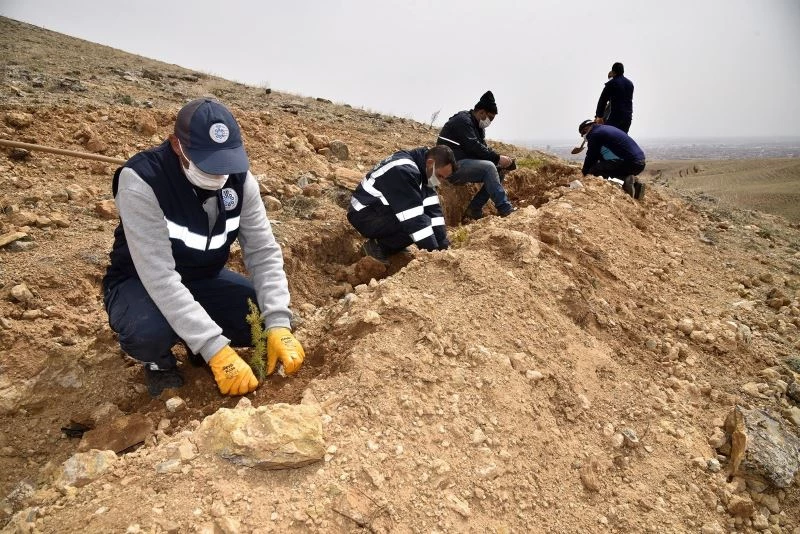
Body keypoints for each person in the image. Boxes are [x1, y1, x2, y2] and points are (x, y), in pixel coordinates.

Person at [102, 98, 305, 397]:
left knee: (261, 319)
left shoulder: (240, 181)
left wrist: (277, 321)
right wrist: (215, 349)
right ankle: (160, 363)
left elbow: (263, 251)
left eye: (224, 163)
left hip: (202, 280)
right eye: (207, 164)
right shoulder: (142, 182)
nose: (218, 175)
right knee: (148, 331)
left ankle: (195, 341)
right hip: (140, 283)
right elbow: (159, 277)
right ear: (176, 145)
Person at [347, 145, 457, 263]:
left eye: (443, 178)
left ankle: (392, 244)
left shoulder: (425, 171)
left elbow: (433, 211)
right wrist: (433, 256)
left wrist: (443, 248)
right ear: (430, 163)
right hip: (364, 215)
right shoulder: (403, 170)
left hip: (379, 210)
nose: (440, 182)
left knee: (422, 221)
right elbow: (414, 220)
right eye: (440, 176)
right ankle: (378, 246)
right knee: (417, 223)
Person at [436, 91, 517, 221]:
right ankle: (506, 209)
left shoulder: (478, 126)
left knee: (498, 170)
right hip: (448, 168)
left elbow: (483, 149)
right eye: (490, 118)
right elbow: (473, 147)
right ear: (481, 112)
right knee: (489, 167)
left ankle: (473, 209)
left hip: (463, 163)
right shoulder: (463, 121)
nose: (490, 122)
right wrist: (497, 158)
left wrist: (501, 161)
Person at [578, 119, 646, 199]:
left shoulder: (595, 135)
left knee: (595, 170)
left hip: (630, 163)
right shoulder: (604, 129)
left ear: (586, 129)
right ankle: (635, 186)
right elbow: (600, 155)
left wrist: (585, 173)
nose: (583, 137)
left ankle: (622, 183)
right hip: (639, 163)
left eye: (583, 134)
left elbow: (591, 156)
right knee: (604, 165)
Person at [594, 62, 634, 133]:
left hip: (615, 118)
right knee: (621, 138)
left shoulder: (611, 84)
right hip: (627, 118)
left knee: (608, 137)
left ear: (613, 72)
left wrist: (599, 116)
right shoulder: (630, 84)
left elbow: (602, 100)